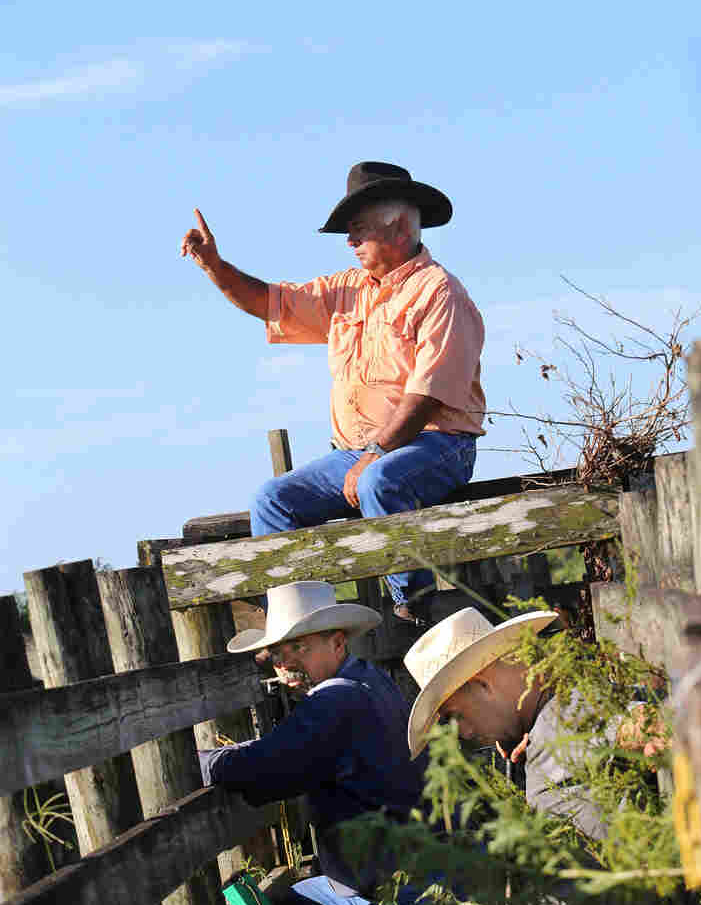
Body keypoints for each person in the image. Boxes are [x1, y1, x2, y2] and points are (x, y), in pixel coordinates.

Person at [181, 161, 486, 624]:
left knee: (378, 482)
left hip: (438, 444)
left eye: (358, 230)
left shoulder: (439, 292)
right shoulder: (347, 290)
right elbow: (270, 303)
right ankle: (296, 621)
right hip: (360, 453)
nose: (350, 242)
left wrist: (373, 453)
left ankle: (414, 606)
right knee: (272, 500)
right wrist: (215, 267)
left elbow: (429, 394)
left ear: (400, 227)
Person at [201, 580, 430, 905]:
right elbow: (293, 749)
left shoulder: (334, 702)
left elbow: (263, 769)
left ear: (337, 641)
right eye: (278, 650)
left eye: (297, 647)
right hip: (397, 878)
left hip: (396, 892)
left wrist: (212, 759)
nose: (283, 660)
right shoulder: (370, 680)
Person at [403, 606, 673, 905]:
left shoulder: (569, 718)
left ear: (484, 685)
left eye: (456, 716)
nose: (463, 733)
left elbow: (647, 726)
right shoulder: (547, 724)